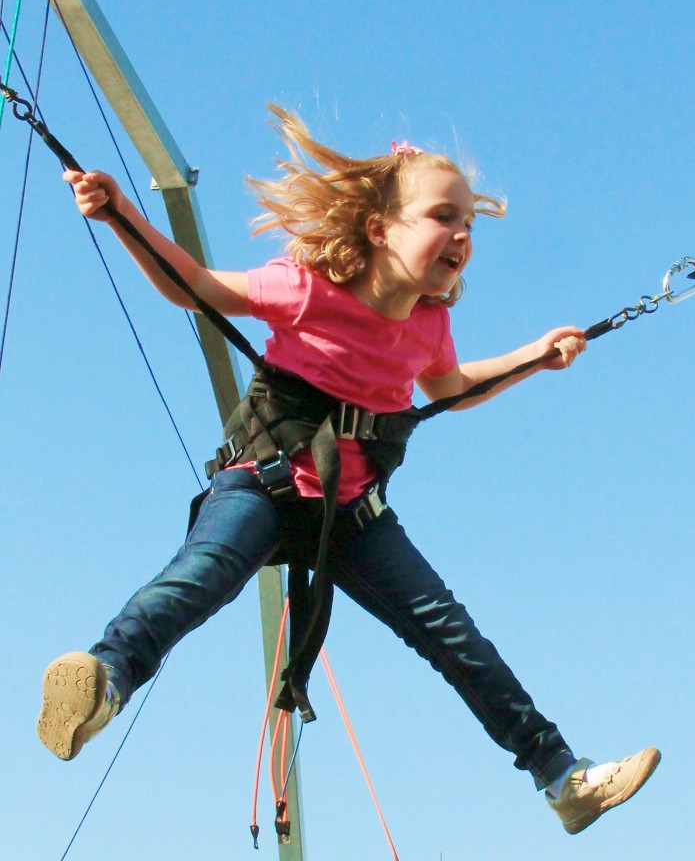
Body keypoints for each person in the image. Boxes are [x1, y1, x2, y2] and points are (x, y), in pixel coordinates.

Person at [37, 106, 659, 834]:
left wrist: (536, 356)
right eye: (441, 216)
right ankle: (106, 679)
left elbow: (453, 389)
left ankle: (563, 778)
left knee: (453, 635)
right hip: (262, 486)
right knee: (200, 575)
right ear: (379, 228)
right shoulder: (306, 287)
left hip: (354, 514)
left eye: (469, 225)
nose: (461, 235)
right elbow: (196, 288)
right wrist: (120, 216)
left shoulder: (428, 325)